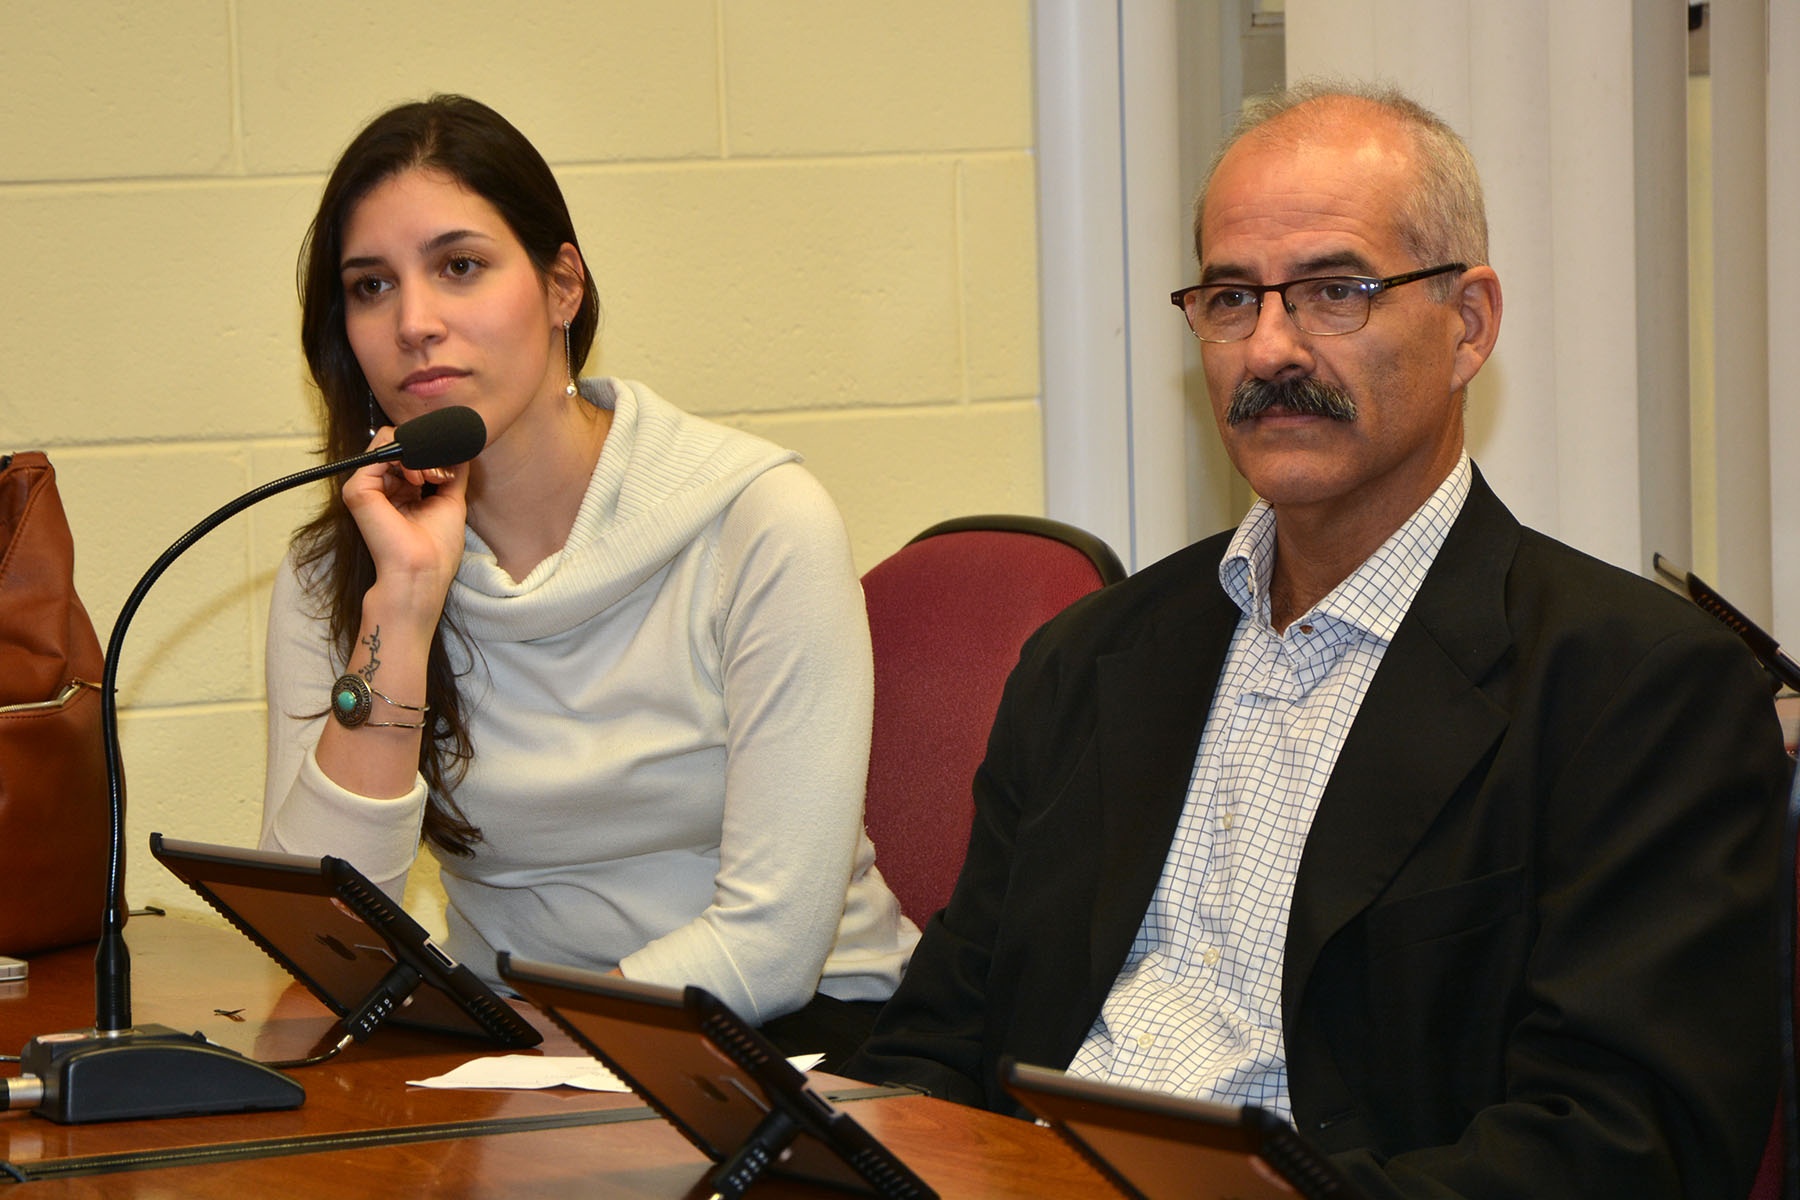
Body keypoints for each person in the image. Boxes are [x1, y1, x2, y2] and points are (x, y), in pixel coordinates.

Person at [845, 81, 1788, 1197]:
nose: (1271, 349)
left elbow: (1628, 1143)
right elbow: (942, 1037)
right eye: (1232, 299)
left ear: (1468, 324)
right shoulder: (1089, 659)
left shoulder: (1638, 690)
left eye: (1336, 291)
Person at [260, 94, 917, 1063]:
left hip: (787, 1035)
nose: (414, 322)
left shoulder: (758, 519)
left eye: (459, 266)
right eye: (369, 286)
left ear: (563, 284)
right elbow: (322, 936)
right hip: (519, 1051)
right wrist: (401, 613)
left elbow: (773, 948)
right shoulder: (343, 570)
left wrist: (535, 1045)